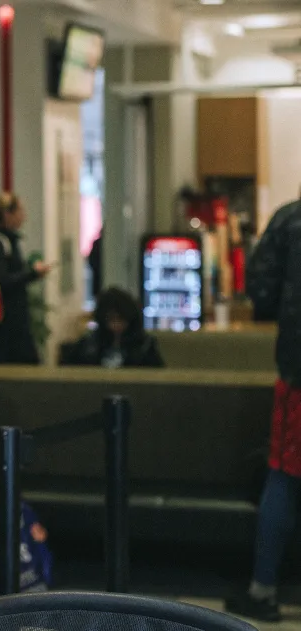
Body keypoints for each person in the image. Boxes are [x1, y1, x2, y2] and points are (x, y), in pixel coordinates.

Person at [226, 197, 301, 622]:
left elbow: (260, 287)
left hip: (298, 372)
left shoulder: (291, 218)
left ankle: (264, 588)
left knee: (285, 475)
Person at [0, 194, 51, 364]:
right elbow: (2, 280)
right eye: (20, 211)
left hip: (6, 321)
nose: (24, 216)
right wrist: (32, 274)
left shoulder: (4, 241)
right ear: (8, 214)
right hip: (6, 322)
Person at [59, 287, 163, 368]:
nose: (116, 325)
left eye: (120, 319)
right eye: (111, 320)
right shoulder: (89, 345)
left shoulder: (145, 346)